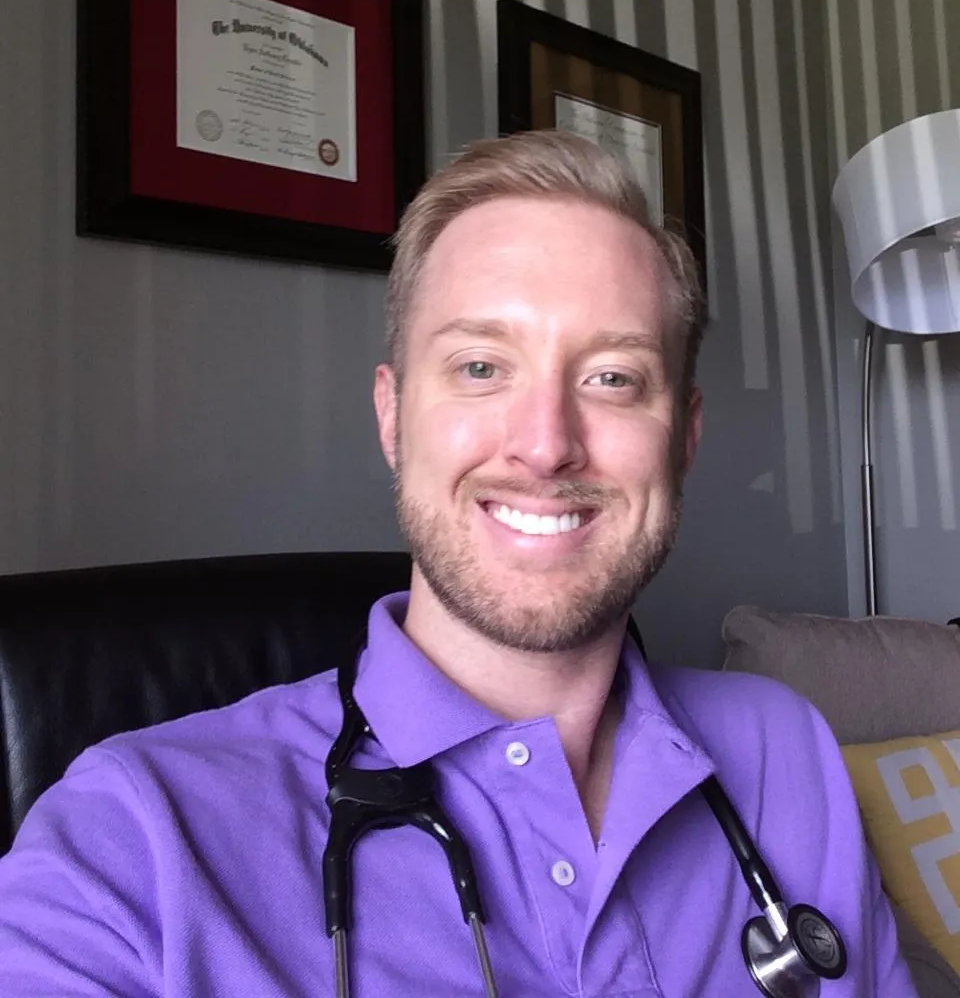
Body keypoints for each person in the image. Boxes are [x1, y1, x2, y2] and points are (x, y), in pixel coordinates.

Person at [0, 130, 916, 996]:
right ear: (393, 417)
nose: (547, 445)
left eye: (614, 377)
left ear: (684, 439)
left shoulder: (785, 750)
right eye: (481, 367)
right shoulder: (132, 844)